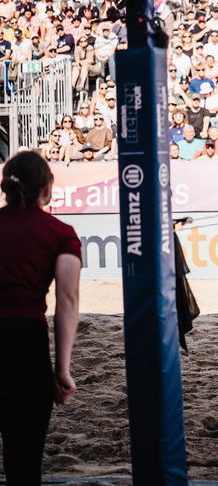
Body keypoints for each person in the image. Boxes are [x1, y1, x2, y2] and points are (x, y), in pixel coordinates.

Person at [0, 151, 82, 483]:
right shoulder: (61, 233)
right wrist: (62, 369)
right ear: (48, 189)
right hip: (26, 344)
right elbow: (67, 299)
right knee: (24, 461)